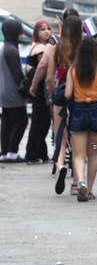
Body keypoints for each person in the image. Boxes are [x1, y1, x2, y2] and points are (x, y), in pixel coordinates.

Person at [64, 36, 97, 202]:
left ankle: (80, 182)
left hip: (78, 112)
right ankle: (89, 189)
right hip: (95, 112)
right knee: (92, 153)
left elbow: (67, 94)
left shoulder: (73, 69)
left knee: (78, 155)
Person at [46, 15, 83, 194]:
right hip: (79, 95)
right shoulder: (83, 48)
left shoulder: (57, 48)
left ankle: (60, 164)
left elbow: (50, 76)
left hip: (61, 95)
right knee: (77, 140)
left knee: (60, 134)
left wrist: (54, 94)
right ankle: (76, 182)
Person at [23, 20, 53, 164]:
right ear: (36, 32)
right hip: (40, 91)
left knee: (40, 122)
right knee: (40, 123)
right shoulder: (41, 48)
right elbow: (43, 67)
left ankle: (40, 152)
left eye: (48, 29)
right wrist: (35, 85)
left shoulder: (36, 46)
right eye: (42, 29)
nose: (46, 31)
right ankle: (33, 154)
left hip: (39, 91)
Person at [0, 19, 29, 162]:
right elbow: (17, 75)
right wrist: (25, 91)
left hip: (4, 90)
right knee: (21, 120)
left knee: (7, 121)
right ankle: (12, 152)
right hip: (13, 92)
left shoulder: (4, 47)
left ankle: (4, 152)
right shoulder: (11, 50)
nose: (21, 33)